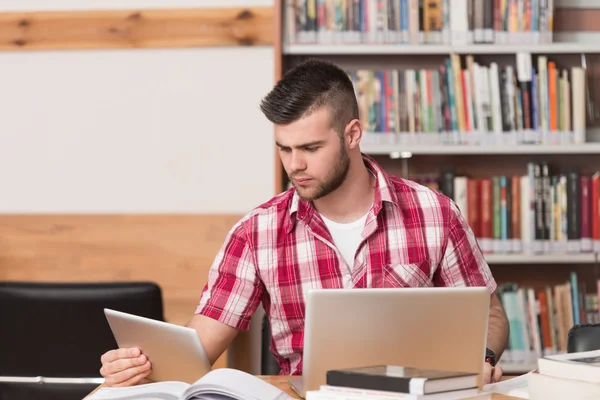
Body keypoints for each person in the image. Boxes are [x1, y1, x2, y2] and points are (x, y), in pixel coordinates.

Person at [99, 59, 509, 387]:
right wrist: (138, 365)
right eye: (285, 148)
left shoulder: (432, 212)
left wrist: (484, 357)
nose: (295, 165)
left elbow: (490, 315)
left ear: (352, 134)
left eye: (311, 148)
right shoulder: (257, 232)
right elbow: (198, 346)